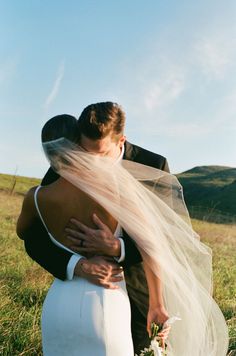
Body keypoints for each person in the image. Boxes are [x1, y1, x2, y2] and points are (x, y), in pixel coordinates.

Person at [18, 103, 171, 353]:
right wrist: (76, 265)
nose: (88, 161)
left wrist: (117, 247)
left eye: (99, 153)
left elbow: (164, 236)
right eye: (83, 151)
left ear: (121, 140)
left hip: (135, 287)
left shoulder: (153, 165)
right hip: (75, 288)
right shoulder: (62, 166)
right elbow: (34, 238)